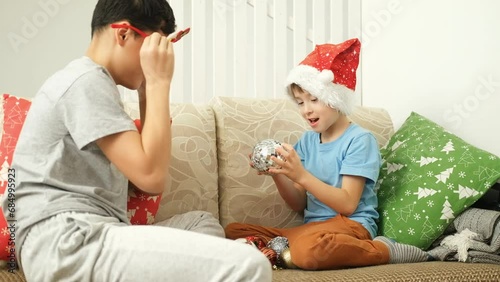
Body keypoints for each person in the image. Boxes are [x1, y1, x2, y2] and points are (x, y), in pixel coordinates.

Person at [2, 0, 272, 281]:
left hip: (90, 231)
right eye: (154, 45)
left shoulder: (94, 82)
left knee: (201, 223)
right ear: (122, 34)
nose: (158, 57)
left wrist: (147, 91)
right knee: (250, 265)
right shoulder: (85, 82)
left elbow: (147, 166)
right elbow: (151, 177)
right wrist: (158, 82)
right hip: (67, 242)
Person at [225, 38, 430, 270]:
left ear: (336, 99)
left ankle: (384, 250)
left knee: (308, 252)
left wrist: (301, 175)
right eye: (300, 102)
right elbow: (298, 204)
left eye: (314, 99)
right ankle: (284, 251)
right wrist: (279, 174)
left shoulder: (359, 140)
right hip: (314, 229)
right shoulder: (308, 141)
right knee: (233, 231)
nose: (306, 109)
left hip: (352, 225)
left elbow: (348, 204)